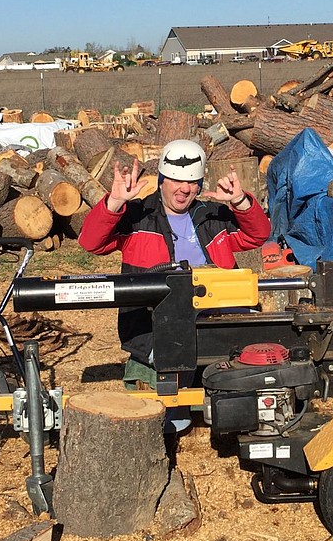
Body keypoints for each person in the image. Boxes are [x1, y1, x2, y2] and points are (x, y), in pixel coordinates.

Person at [77, 139, 271, 422]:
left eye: (192, 182)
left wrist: (241, 202)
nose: (184, 189)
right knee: (169, 416)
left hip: (216, 320)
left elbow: (258, 235)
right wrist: (114, 202)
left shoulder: (212, 216)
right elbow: (90, 242)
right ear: (162, 180)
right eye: (176, 181)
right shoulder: (138, 218)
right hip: (156, 326)